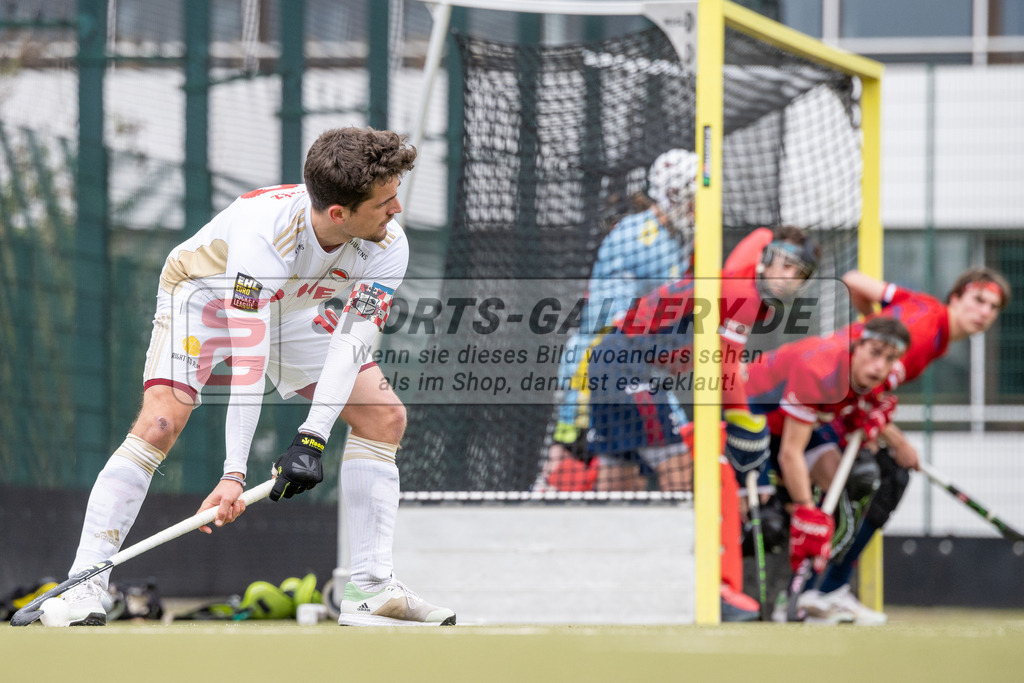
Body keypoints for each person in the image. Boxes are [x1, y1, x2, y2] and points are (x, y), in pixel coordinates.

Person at [60, 127, 456, 627]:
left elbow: (350, 347)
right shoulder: (264, 236)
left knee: (383, 417)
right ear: (339, 213)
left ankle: (371, 588)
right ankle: (81, 589)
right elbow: (249, 365)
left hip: (291, 308)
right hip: (201, 295)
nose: (396, 210)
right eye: (384, 202)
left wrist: (310, 439)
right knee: (161, 423)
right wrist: (233, 475)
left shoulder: (386, 244)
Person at [581, 225, 819, 620]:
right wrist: (744, 421)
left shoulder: (737, 281)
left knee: (619, 481)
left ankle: (607, 585)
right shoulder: (743, 294)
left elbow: (712, 358)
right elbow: (724, 366)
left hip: (612, 359)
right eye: (787, 265)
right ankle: (699, 590)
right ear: (767, 258)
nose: (790, 278)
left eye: (800, 274)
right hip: (628, 366)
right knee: (681, 479)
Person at [808, 266, 1011, 625]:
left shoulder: (919, 305)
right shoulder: (921, 337)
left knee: (885, 473)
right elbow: (867, 389)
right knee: (884, 477)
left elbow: (854, 280)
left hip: (831, 394)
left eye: (993, 308)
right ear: (957, 296)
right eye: (979, 300)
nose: (984, 313)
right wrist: (900, 442)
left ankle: (825, 590)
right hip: (822, 398)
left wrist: (873, 325)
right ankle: (821, 590)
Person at [539, 148, 697, 492]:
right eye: (691, 198)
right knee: (574, 457)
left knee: (625, 469)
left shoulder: (672, 239)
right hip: (605, 359)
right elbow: (619, 319)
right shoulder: (642, 237)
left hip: (628, 362)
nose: (697, 209)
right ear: (672, 194)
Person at [744, 316, 912, 624]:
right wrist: (808, 512)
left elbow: (858, 407)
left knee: (847, 486)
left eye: (889, 359)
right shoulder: (819, 372)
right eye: (874, 353)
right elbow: (790, 453)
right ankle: (750, 594)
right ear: (856, 345)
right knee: (769, 519)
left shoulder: (880, 376)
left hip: (800, 426)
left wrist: (872, 415)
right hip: (751, 420)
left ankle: (815, 594)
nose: (880, 366)